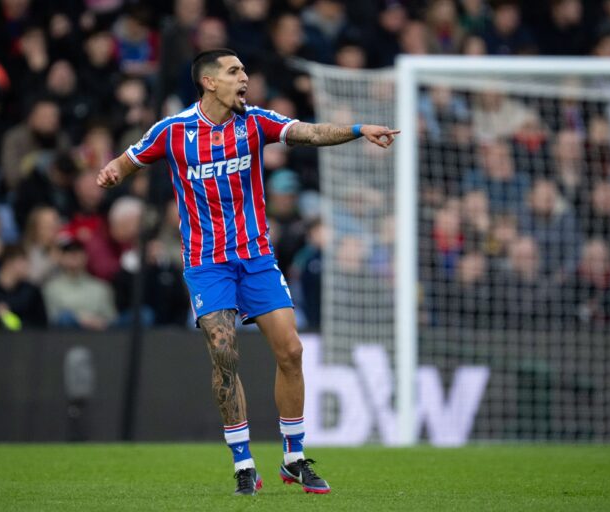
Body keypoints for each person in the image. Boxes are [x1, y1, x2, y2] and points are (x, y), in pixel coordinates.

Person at [96, 48, 398, 496]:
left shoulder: (255, 122)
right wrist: (112, 172)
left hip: (256, 258)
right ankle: (243, 463)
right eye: (234, 71)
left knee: (291, 351)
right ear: (209, 82)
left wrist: (357, 130)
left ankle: (294, 458)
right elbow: (128, 160)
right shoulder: (172, 131)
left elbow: (309, 132)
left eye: (244, 71)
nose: (245, 78)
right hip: (206, 262)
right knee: (224, 354)